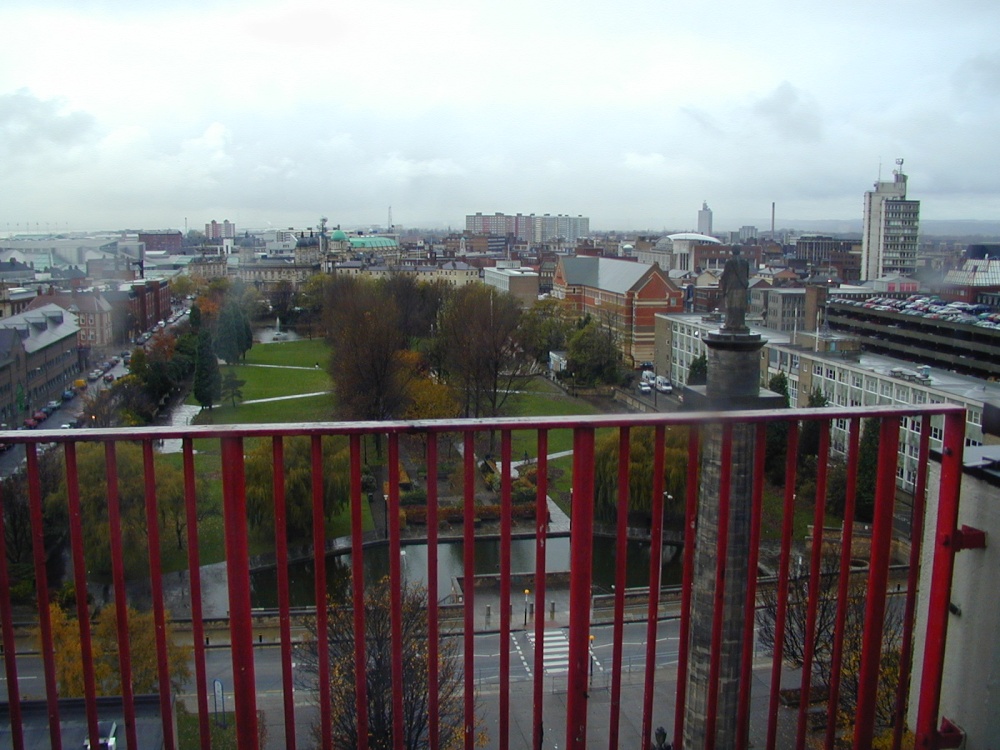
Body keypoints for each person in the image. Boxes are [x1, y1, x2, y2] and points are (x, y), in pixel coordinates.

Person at [720, 247, 750, 332]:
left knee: (731, 307)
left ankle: (731, 324)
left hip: (732, 287)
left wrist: (724, 290)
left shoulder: (729, 262)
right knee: (741, 307)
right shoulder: (745, 262)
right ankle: (741, 324)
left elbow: (725, 277)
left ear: (732, 252)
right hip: (742, 288)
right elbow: (746, 276)